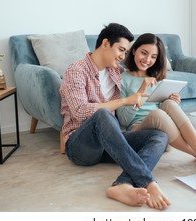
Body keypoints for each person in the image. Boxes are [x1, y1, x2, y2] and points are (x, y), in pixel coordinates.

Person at [59, 24, 171, 210]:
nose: (122, 56)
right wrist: (125, 101)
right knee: (102, 113)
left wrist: (163, 91)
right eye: (121, 49)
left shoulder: (115, 71)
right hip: (81, 146)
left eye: (126, 51)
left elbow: (140, 72)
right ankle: (149, 182)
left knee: (159, 136)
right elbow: (79, 110)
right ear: (105, 43)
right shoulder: (76, 71)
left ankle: (122, 184)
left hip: (110, 142)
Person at [116, 33, 196, 180]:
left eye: (153, 56)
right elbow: (124, 120)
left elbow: (162, 107)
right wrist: (141, 91)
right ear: (134, 51)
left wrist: (173, 101)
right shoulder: (122, 79)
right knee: (158, 114)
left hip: (166, 137)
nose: (147, 60)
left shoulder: (156, 78)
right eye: (144, 53)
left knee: (168, 103)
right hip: (138, 131)